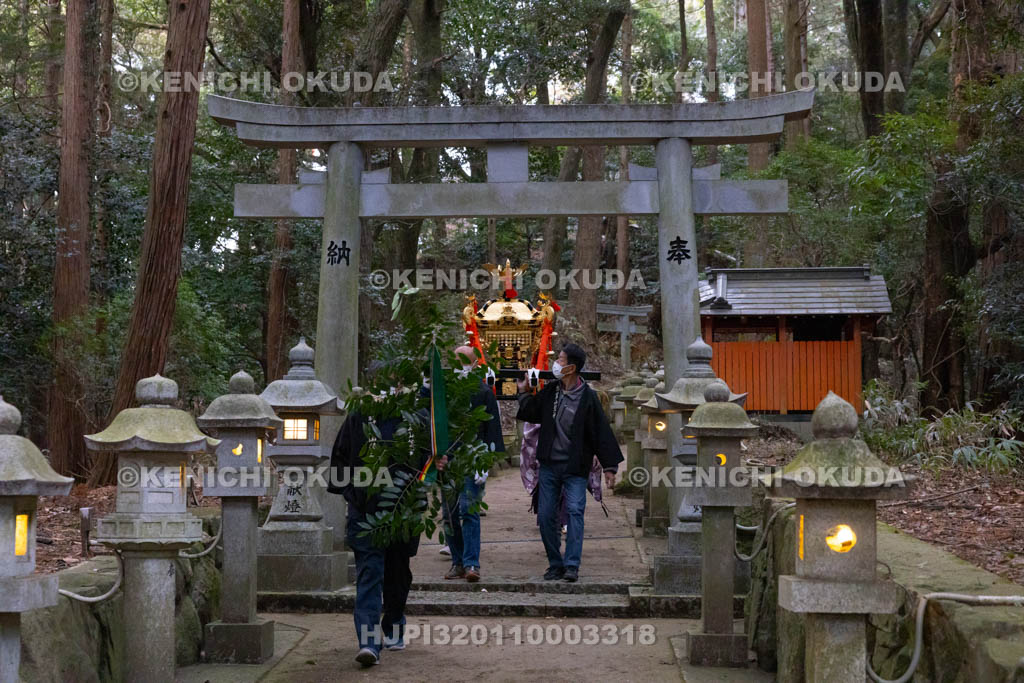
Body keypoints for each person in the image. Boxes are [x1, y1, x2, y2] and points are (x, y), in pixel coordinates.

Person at [516, 342, 622, 582]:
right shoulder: (552, 391)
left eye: (561, 360)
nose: (557, 363)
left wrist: (609, 467)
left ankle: (572, 564)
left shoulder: (588, 398)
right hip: (549, 466)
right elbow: (532, 412)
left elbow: (601, 432)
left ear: (572, 367)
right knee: (545, 515)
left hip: (575, 467)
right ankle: (555, 563)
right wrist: (523, 391)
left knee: (575, 511)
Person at [328, 403, 421, 667]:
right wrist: (353, 494)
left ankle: (393, 625)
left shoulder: (415, 416)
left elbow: (429, 458)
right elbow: (339, 460)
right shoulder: (359, 416)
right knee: (369, 576)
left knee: (398, 575)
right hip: (366, 513)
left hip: (403, 512)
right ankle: (369, 643)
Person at [436, 345, 504, 582]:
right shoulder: (445, 392)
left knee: (469, 510)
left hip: (473, 458)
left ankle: (471, 562)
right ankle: (457, 561)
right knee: (450, 513)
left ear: (475, 364)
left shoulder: (484, 392)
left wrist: (485, 461)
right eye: (458, 360)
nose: (461, 366)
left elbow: (492, 429)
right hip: (449, 459)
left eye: (465, 361)